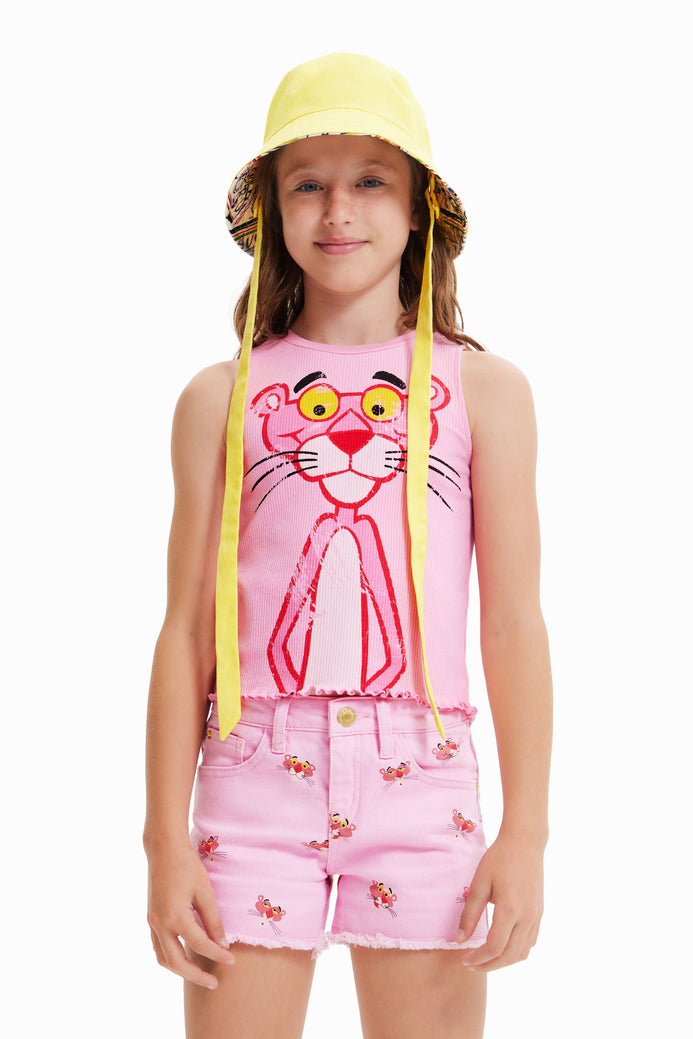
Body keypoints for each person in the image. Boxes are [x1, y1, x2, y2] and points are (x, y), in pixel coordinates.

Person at [144, 52, 552, 1039]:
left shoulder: (484, 392)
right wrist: (164, 841)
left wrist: (527, 832)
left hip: (423, 777)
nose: (338, 211)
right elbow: (185, 629)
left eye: (370, 181)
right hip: (251, 774)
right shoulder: (220, 397)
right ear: (273, 209)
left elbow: (510, 621)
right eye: (307, 184)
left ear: (419, 210)